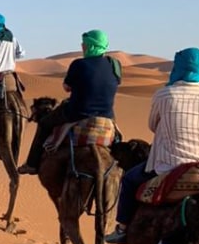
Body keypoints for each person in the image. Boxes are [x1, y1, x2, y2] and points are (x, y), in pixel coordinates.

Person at [106, 47, 199, 244]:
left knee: (129, 180)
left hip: (168, 160)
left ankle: (123, 228)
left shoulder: (164, 94)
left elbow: (153, 125)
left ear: (178, 67)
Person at [17, 29, 121, 175]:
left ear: (90, 45)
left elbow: (67, 87)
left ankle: (32, 164)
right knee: (118, 137)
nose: (82, 46)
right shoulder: (114, 65)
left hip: (77, 112)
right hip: (107, 114)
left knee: (44, 123)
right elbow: (116, 82)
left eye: (84, 43)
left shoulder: (79, 64)